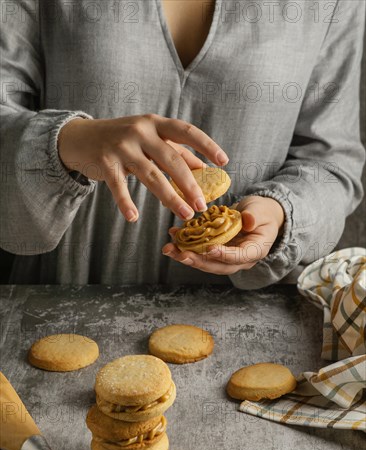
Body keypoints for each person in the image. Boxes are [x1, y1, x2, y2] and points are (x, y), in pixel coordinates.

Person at [1, 0, 365, 287]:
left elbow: (332, 162)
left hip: (246, 321)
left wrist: (282, 215)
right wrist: (71, 140)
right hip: (57, 302)